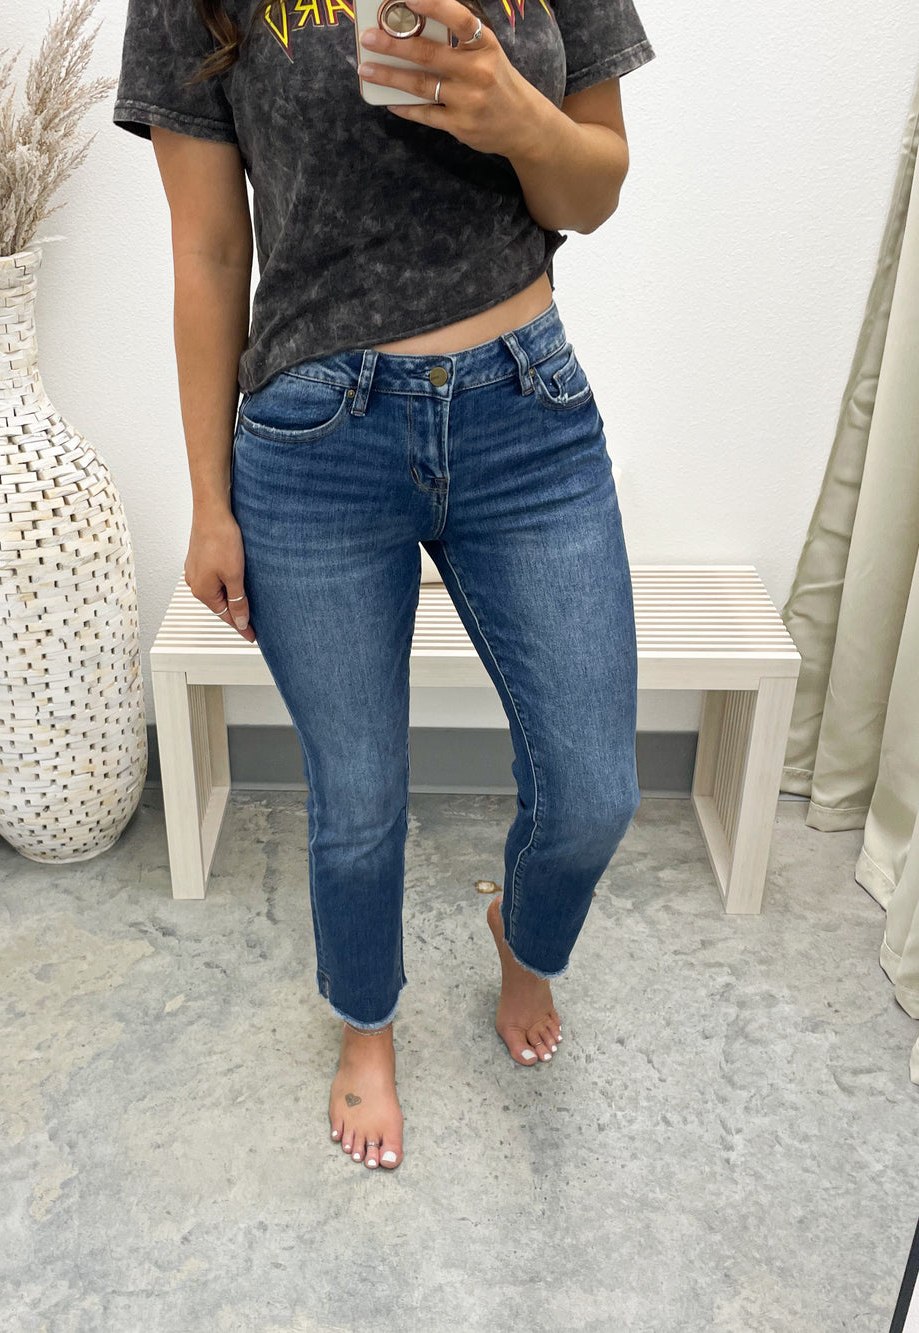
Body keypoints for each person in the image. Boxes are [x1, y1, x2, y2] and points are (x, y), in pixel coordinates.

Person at [113, 0, 655, 1173]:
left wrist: (515, 118)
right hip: (314, 439)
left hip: (525, 410)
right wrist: (208, 503)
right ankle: (365, 1025)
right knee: (356, 802)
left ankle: (524, 933)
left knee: (594, 793)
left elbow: (594, 191)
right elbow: (209, 251)